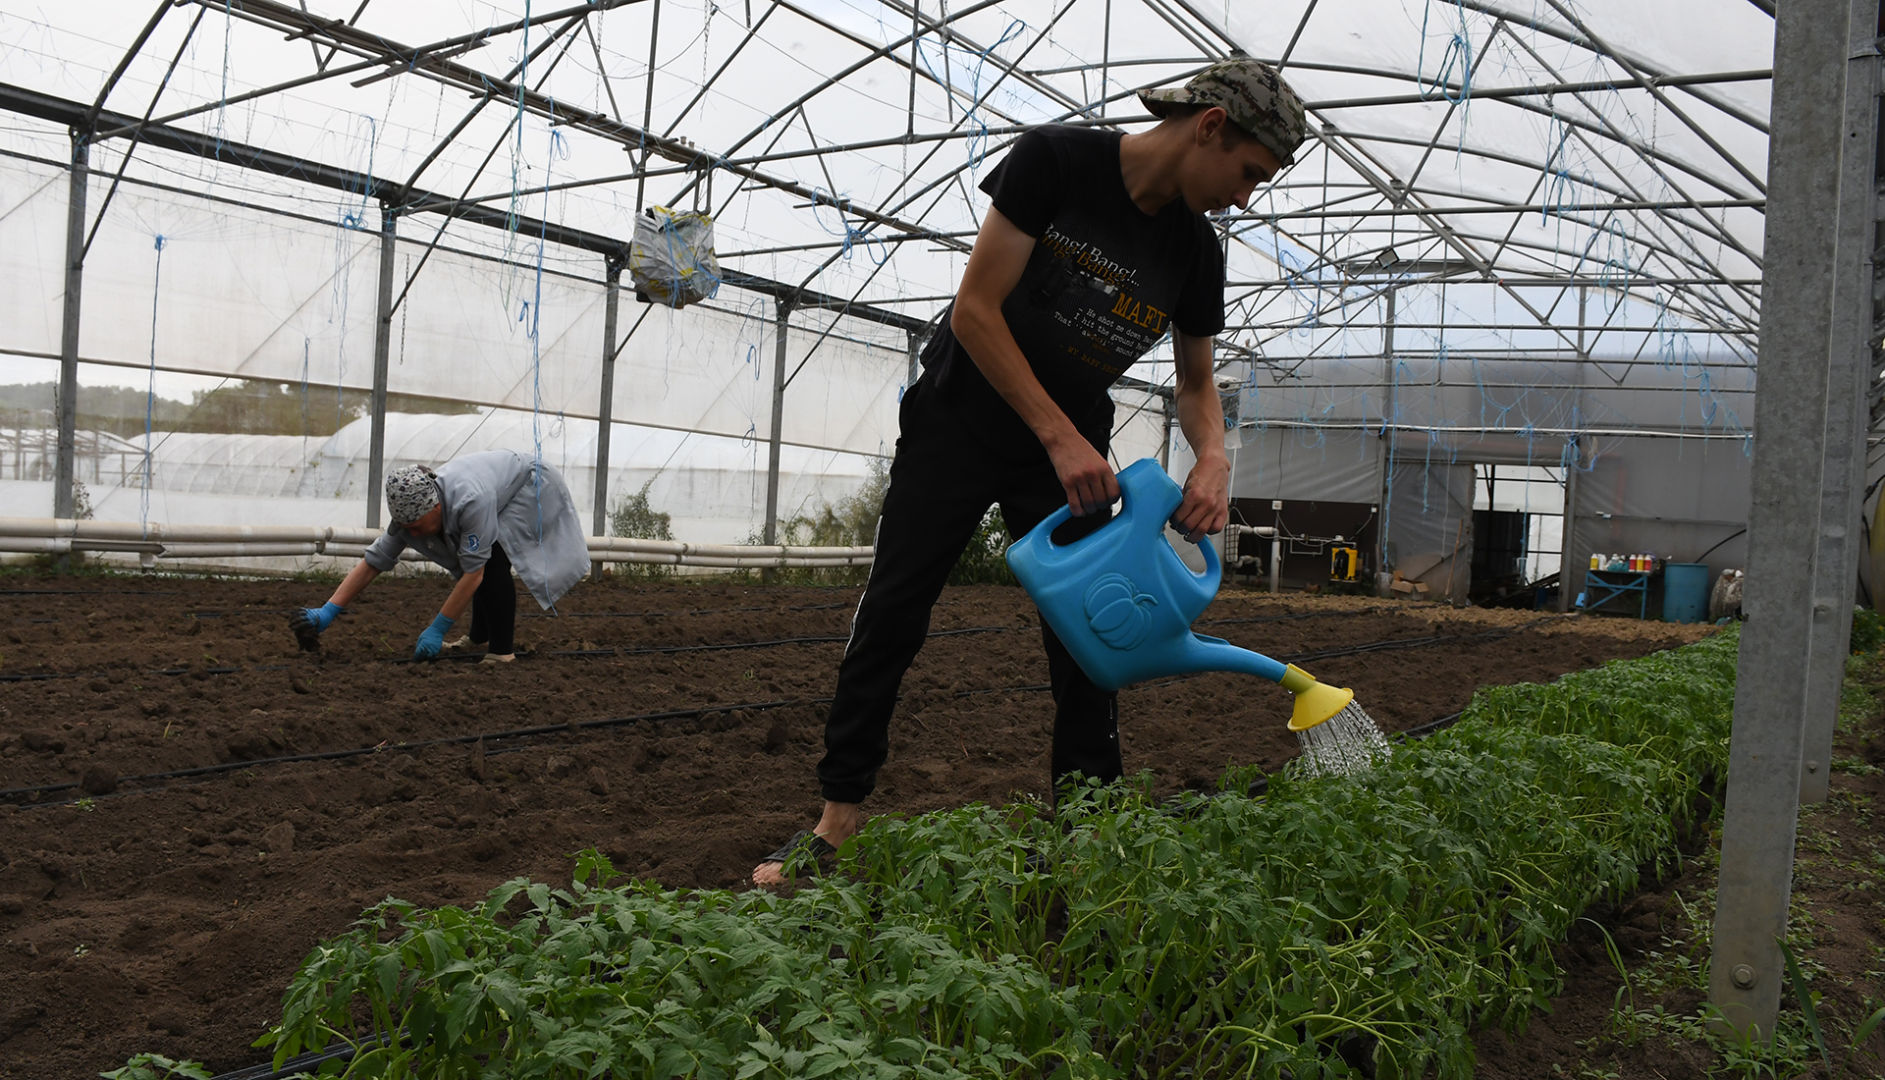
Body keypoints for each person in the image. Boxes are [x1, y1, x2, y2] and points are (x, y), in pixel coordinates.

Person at [751, 58, 1307, 885]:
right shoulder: (1054, 162)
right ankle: (835, 824)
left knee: (1091, 639)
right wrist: (1056, 436)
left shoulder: (1194, 251)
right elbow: (974, 311)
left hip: (1072, 447)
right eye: (1248, 175)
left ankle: (1086, 834)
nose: (1243, 198)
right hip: (960, 421)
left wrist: (1215, 456)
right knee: (895, 610)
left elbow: (1195, 384)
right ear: (1211, 127)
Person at [289, 450, 590, 661]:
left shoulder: (471, 501)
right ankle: (478, 636)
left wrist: (438, 628)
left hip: (530, 486)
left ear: (435, 507)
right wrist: (327, 610)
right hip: (494, 487)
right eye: (408, 529)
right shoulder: (410, 519)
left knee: (491, 560)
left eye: (418, 527)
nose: (414, 535)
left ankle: (502, 652)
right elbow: (373, 563)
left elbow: (474, 574)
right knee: (473, 558)